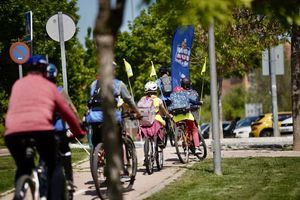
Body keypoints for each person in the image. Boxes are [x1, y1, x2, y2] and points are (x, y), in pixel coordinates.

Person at [4, 55, 85, 200]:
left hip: (13, 134)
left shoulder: (18, 84)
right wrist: (79, 131)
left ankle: (20, 192)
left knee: (23, 167)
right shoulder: (50, 86)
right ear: (45, 70)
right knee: (53, 165)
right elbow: (68, 112)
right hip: (41, 130)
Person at [85, 62, 142, 147]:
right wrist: (138, 113)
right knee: (117, 141)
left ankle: (97, 155)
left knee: (96, 138)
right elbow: (129, 100)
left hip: (95, 117)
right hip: (111, 117)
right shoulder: (119, 84)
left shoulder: (94, 84)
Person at [46, 63, 78, 197]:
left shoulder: (38, 91)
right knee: (65, 154)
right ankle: (69, 181)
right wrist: (78, 124)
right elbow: (71, 108)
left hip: (42, 131)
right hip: (58, 130)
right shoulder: (60, 90)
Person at [170, 78, 202, 151]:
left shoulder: (173, 95)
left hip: (176, 117)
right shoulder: (189, 93)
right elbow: (194, 101)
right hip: (187, 114)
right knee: (194, 129)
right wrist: (199, 103)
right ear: (189, 84)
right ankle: (197, 147)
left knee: (178, 126)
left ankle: (180, 138)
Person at [138, 81, 172, 147]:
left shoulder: (142, 99)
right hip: (155, 119)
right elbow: (164, 111)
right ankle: (159, 140)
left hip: (143, 120)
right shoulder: (158, 100)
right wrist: (168, 115)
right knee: (162, 123)